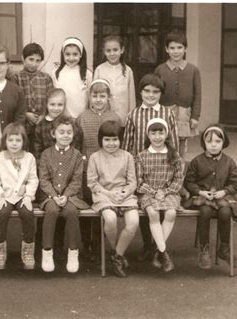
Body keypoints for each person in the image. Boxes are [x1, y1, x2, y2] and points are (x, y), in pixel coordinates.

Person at [122, 73, 179, 262]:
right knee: (148, 210)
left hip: (164, 171)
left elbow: (174, 143)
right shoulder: (133, 114)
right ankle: (149, 245)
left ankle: (157, 248)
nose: (151, 95)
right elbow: (127, 145)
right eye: (147, 91)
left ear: (161, 93)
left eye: (155, 92)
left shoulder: (167, 113)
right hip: (142, 173)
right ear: (140, 92)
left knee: (165, 209)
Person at [184, 124, 237, 269]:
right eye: (210, 142)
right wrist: (200, 192)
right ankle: (204, 249)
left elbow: (235, 183)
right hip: (203, 198)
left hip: (221, 198)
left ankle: (224, 248)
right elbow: (189, 182)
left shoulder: (229, 162)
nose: (214, 145)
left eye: (217, 142)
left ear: (223, 143)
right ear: (204, 143)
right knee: (205, 212)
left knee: (225, 212)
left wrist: (225, 191)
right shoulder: (196, 161)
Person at [76, 79, 121, 263]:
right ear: (89, 97)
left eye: (102, 96)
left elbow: (118, 143)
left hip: (109, 169)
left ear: (109, 97)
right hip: (88, 166)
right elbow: (78, 143)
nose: (99, 99)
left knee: (103, 205)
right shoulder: (82, 117)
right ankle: (87, 244)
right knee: (87, 203)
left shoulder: (115, 118)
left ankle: (99, 243)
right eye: (95, 96)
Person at [87, 121, 139, 277]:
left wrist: (124, 192)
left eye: (115, 139)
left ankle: (117, 255)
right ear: (101, 140)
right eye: (107, 140)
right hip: (103, 195)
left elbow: (133, 181)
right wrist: (108, 194)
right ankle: (114, 249)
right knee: (110, 219)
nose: (111, 143)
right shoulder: (95, 157)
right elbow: (92, 183)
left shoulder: (127, 156)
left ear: (120, 139)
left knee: (133, 222)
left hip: (124, 195)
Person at [38, 115, 89, 273]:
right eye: (61, 132)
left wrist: (66, 195)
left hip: (70, 196)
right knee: (52, 210)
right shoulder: (46, 154)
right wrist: (54, 195)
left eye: (69, 132)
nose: (65, 135)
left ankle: (73, 252)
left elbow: (76, 180)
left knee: (72, 211)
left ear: (73, 134)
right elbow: (44, 180)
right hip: (49, 196)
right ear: (54, 134)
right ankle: (47, 252)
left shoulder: (77, 155)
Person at [135, 118, 184, 273]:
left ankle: (157, 251)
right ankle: (163, 252)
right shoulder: (142, 156)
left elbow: (178, 178)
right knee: (153, 213)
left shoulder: (174, 155)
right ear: (148, 135)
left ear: (166, 134)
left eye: (160, 132)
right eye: (153, 133)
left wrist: (166, 191)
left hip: (169, 192)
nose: (157, 137)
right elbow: (138, 181)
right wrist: (153, 192)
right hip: (148, 192)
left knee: (171, 213)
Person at [0, 123, 38, 270]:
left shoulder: (29, 158)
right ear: (5, 141)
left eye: (18, 140)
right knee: (2, 213)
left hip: (23, 196)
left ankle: (28, 251)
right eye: (11, 140)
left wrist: (28, 196)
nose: (14, 144)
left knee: (27, 214)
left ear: (24, 141)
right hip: (5, 196)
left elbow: (33, 179)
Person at [155, 30, 201, 158]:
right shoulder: (160, 69)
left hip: (184, 113)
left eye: (179, 47)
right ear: (166, 49)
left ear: (185, 49)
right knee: (165, 141)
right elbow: (155, 92)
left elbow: (198, 94)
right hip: (165, 112)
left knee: (181, 145)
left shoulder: (193, 70)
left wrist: (195, 116)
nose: (176, 51)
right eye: (172, 48)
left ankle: (179, 173)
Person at [12, 42, 54, 152]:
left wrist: (44, 114)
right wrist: (26, 114)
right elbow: (13, 101)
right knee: (24, 150)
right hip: (23, 123)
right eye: (31, 59)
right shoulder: (16, 78)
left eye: (37, 61)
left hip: (42, 123)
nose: (34, 64)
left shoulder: (46, 78)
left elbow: (51, 99)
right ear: (23, 58)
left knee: (41, 151)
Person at [93, 35, 136, 126]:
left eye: (115, 50)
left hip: (123, 117)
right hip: (103, 118)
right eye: (108, 51)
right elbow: (93, 94)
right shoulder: (99, 70)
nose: (112, 53)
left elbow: (131, 97)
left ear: (122, 50)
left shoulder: (128, 71)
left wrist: (132, 117)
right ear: (104, 52)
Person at [33, 88, 82, 159]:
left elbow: (77, 145)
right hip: (47, 164)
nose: (56, 108)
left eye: (60, 105)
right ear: (46, 105)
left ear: (64, 105)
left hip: (68, 163)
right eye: (52, 104)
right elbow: (37, 150)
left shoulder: (71, 124)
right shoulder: (41, 125)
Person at [51, 37, 92, 118]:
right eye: (67, 54)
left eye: (75, 54)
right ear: (63, 55)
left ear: (81, 55)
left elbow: (89, 96)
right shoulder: (56, 73)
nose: (71, 58)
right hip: (61, 117)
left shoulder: (87, 74)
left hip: (81, 117)